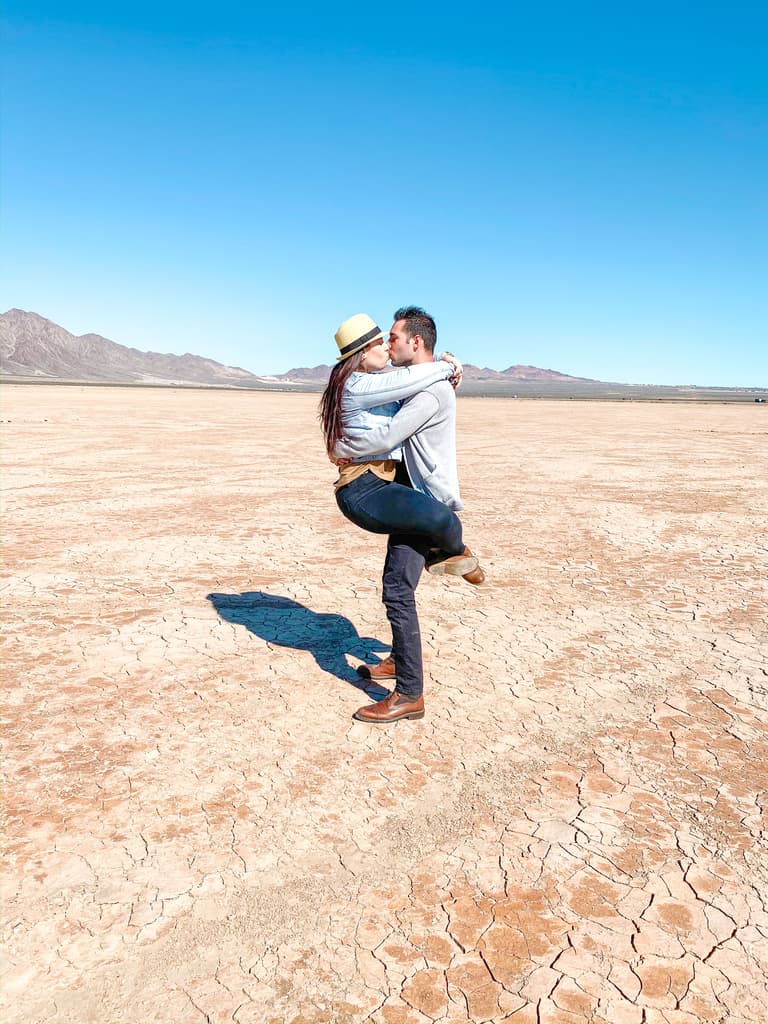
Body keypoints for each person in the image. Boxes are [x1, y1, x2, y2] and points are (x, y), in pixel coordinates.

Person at [323, 307, 484, 724]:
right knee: (396, 586)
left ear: (415, 342)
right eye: (381, 340)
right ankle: (401, 662)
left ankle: (409, 693)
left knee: (397, 587)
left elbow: (392, 434)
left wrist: (447, 370)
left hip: (422, 498)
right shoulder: (400, 386)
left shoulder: (428, 391)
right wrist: (449, 367)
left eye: (391, 337)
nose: (388, 345)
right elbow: (401, 393)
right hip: (403, 494)